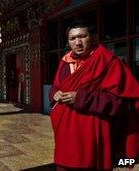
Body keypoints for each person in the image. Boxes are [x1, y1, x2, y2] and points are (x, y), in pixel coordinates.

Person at [49, 20, 139, 171]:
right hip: (65, 133)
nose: (77, 42)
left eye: (82, 36)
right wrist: (54, 93)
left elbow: (120, 102)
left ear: (93, 37)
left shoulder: (108, 61)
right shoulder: (65, 62)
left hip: (92, 135)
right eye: (72, 38)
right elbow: (56, 86)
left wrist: (81, 98)